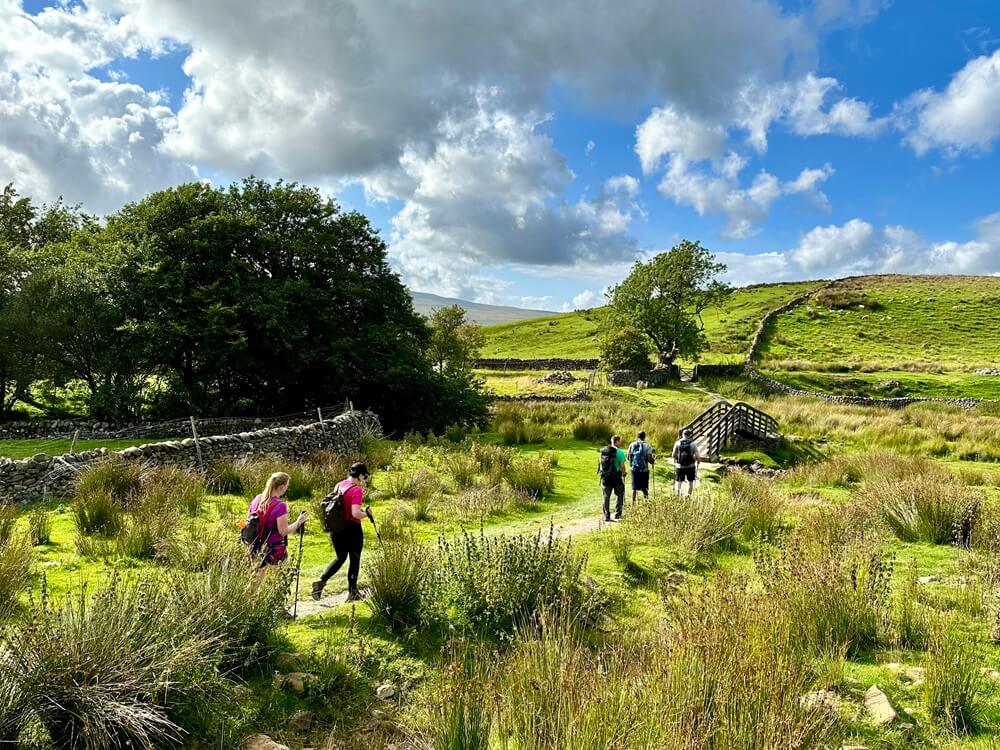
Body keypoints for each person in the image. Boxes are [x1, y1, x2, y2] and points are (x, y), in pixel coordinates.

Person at [311, 462, 370, 602]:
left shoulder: (339, 485)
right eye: (365, 476)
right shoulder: (356, 490)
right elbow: (356, 513)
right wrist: (367, 513)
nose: (365, 479)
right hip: (352, 528)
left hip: (337, 528)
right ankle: (353, 592)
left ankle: (321, 582)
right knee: (355, 559)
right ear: (361, 475)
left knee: (340, 557)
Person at [247, 471, 307, 569]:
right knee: (279, 577)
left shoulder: (257, 499)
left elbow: (249, 520)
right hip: (274, 550)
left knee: (257, 578)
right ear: (282, 487)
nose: (287, 488)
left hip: (255, 547)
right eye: (287, 486)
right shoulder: (280, 506)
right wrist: (299, 522)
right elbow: (283, 531)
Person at [598, 435, 628, 522]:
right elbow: (622, 466)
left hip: (606, 477)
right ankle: (618, 513)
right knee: (620, 494)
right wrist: (624, 473)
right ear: (616, 441)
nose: (620, 443)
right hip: (616, 476)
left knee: (606, 496)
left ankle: (606, 515)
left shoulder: (604, 451)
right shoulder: (620, 452)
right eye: (620, 441)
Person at [627, 430, 655, 504]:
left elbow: (628, 457)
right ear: (644, 437)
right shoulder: (647, 446)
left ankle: (633, 504)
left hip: (634, 469)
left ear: (637, 436)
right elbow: (649, 459)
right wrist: (653, 461)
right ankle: (646, 502)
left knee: (634, 488)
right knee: (644, 488)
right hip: (644, 470)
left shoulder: (632, 445)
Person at [672, 429, 701, 496]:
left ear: (683, 434)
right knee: (690, 482)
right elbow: (697, 455)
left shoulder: (677, 443)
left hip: (680, 466)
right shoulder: (693, 443)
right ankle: (688, 496)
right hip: (690, 466)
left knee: (679, 481)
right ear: (690, 435)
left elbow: (673, 455)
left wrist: (677, 460)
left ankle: (678, 494)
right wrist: (698, 461)